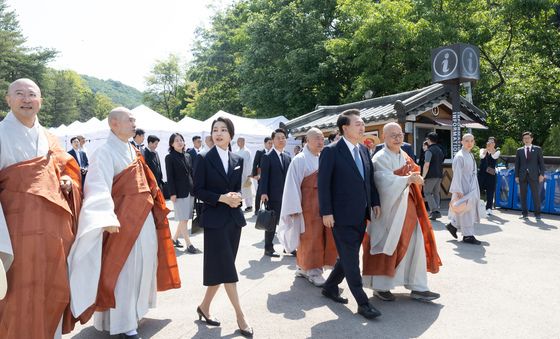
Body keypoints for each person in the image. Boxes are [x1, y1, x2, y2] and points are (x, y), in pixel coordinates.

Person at [67, 107, 181, 339]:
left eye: (133, 120)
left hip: (143, 217)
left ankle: (135, 312)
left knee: (144, 264)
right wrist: (106, 217)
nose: (133, 123)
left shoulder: (132, 149)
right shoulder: (104, 152)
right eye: (129, 120)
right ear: (114, 124)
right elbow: (97, 187)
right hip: (121, 221)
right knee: (124, 272)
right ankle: (123, 322)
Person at [0, 78, 82, 339]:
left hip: (54, 229)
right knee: (17, 292)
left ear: (40, 101)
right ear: (8, 99)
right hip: (14, 231)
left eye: (32, 94)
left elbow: (65, 169)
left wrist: (68, 181)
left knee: (52, 287)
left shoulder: (49, 137)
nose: (26, 99)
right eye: (19, 94)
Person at [362, 122, 441, 303]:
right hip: (390, 210)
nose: (398, 138)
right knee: (388, 244)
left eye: (400, 135)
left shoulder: (404, 154)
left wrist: (415, 177)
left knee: (416, 244)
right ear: (384, 138)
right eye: (393, 135)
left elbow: (413, 170)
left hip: (409, 207)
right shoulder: (380, 157)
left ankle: (418, 286)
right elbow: (382, 181)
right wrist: (407, 179)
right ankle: (381, 287)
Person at [318, 109, 382, 320]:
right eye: (358, 124)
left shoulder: (364, 151)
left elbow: (368, 180)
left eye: (363, 124)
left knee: (347, 256)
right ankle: (363, 303)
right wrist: (326, 212)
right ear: (345, 128)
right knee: (352, 259)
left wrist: (374, 202)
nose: (363, 127)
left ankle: (329, 287)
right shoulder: (331, 151)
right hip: (340, 216)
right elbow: (323, 184)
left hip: (361, 214)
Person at [193, 117, 253, 338]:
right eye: (215, 130)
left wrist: (235, 197)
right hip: (214, 221)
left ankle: (204, 307)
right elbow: (197, 190)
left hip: (233, 221)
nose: (218, 133)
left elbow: (235, 188)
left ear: (231, 134)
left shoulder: (236, 158)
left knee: (222, 268)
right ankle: (240, 316)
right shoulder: (203, 158)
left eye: (223, 130)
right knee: (228, 269)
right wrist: (221, 198)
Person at [278, 128, 337, 287]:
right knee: (310, 238)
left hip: (322, 206)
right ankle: (312, 271)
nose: (321, 141)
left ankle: (305, 268)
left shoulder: (323, 157)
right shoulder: (300, 159)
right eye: (317, 138)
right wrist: (294, 208)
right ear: (307, 141)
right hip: (306, 206)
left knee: (322, 237)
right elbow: (292, 185)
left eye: (322, 138)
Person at [446, 134, 483, 245]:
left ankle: (453, 225)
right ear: (462, 141)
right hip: (463, 186)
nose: (469, 143)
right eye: (467, 141)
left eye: (471, 141)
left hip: (471, 185)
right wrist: (458, 190)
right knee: (466, 210)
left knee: (465, 209)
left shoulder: (469, 154)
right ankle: (467, 235)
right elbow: (457, 174)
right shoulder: (460, 156)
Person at [165, 133, 200, 253]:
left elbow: (191, 173)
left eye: (181, 140)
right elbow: (170, 177)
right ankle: (189, 244)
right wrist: (172, 193)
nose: (179, 142)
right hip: (179, 193)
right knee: (183, 218)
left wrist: (195, 188)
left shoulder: (188, 156)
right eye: (176, 141)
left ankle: (174, 239)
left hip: (190, 191)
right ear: (172, 144)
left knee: (184, 219)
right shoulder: (169, 157)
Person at [260, 128, 292, 257]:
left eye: (283, 138)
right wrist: (263, 192)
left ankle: (287, 247)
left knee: (288, 222)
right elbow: (264, 176)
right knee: (271, 223)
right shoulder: (267, 156)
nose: (281, 140)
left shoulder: (287, 156)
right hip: (272, 195)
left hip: (287, 195)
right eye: (278, 138)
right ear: (272, 140)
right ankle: (268, 248)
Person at [514, 132, 545, 220]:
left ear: (531, 139)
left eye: (528, 138)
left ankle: (537, 214)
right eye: (525, 138)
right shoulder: (519, 150)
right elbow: (517, 164)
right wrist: (516, 176)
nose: (526, 140)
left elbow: (541, 163)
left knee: (536, 195)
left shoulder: (538, 149)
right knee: (523, 195)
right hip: (522, 176)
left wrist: (542, 174)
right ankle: (524, 214)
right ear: (523, 140)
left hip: (534, 176)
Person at [422, 132, 444, 220]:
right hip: (439, 175)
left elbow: (426, 164)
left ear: (429, 140)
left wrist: (423, 176)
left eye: (427, 139)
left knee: (427, 192)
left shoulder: (429, 151)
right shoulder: (440, 150)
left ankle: (434, 211)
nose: (426, 140)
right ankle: (436, 210)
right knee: (436, 193)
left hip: (431, 175)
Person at [478, 137, 501, 216]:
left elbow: (494, 156)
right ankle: (476, 206)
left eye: (492, 142)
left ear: (494, 143)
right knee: (478, 190)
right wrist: (487, 148)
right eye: (489, 141)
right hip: (482, 173)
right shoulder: (482, 150)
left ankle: (489, 208)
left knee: (490, 191)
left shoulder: (497, 151)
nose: (490, 143)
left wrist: (491, 148)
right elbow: (482, 156)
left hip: (491, 174)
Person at [251, 137, 272, 214]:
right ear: (265, 143)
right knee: (260, 192)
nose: (270, 145)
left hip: (270, 176)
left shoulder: (273, 153)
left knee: (268, 191)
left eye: (271, 143)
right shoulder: (259, 152)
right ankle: (257, 209)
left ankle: (267, 208)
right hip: (261, 176)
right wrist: (255, 175)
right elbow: (255, 164)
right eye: (269, 143)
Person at [236, 137, 253, 212]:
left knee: (247, 189)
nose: (238, 142)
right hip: (238, 173)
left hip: (245, 173)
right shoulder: (237, 151)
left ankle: (249, 205)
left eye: (239, 141)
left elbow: (249, 164)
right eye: (237, 141)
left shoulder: (246, 151)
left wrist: (249, 174)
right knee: (239, 190)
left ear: (243, 142)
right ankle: (240, 204)